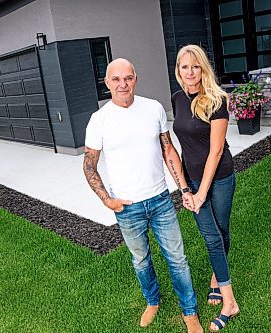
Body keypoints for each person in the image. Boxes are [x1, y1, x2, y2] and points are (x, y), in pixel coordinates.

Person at [83, 58, 203, 333]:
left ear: (135, 78)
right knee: (141, 260)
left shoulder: (153, 108)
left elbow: (168, 150)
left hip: (160, 199)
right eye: (116, 79)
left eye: (128, 78)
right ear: (107, 83)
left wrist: (184, 188)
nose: (123, 84)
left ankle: (190, 312)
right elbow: (89, 165)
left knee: (178, 258)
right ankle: (152, 301)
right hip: (127, 208)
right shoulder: (99, 120)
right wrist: (107, 200)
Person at [171, 45, 240, 332]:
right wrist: (187, 188)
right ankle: (230, 300)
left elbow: (215, 152)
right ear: (179, 69)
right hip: (194, 181)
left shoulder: (216, 100)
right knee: (211, 237)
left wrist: (201, 193)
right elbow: (179, 145)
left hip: (220, 177)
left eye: (195, 66)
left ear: (203, 69)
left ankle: (220, 286)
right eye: (184, 67)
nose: (190, 72)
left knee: (221, 231)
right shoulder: (176, 99)